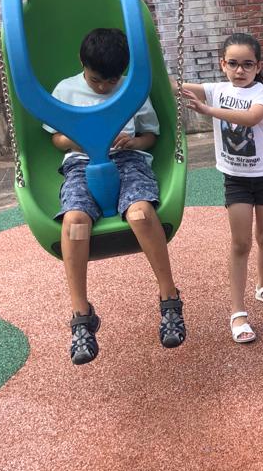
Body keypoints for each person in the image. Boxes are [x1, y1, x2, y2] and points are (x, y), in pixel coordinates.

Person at [47, 28, 186, 365]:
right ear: (82, 64)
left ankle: (169, 298)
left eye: (111, 81)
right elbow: (56, 139)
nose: (103, 88)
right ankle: (81, 314)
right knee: (74, 222)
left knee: (141, 214)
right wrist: (79, 140)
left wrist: (133, 142)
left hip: (127, 161)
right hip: (82, 163)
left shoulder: (131, 89)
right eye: (96, 80)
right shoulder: (66, 90)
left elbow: (151, 135)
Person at [181, 33, 263, 345]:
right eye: (233, 63)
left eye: (247, 64)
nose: (240, 70)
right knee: (240, 243)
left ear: (258, 66)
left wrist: (208, 111)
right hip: (236, 179)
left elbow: (251, 119)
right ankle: (238, 312)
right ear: (222, 64)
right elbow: (175, 86)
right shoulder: (217, 90)